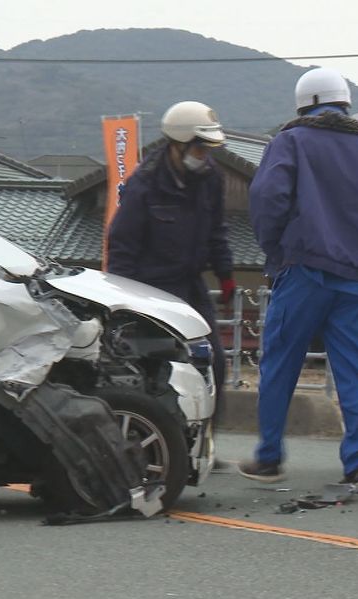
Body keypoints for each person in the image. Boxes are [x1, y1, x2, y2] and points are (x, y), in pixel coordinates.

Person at [239, 68, 358, 492]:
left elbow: (267, 198)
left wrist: (277, 252)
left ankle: (270, 457)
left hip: (303, 271)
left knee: (280, 364)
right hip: (355, 280)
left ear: (304, 103)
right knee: (356, 374)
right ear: (345, 103)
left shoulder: (289, 142)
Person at [106, 101, 235, 397]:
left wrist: (225, 273)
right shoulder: (145, 184)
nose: (204, 157)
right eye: (199, 150)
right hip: (151, 289)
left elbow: (217, 229)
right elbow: (122, 246)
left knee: (213, 362)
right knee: (159, 368)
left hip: (191, 285)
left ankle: (207, 436)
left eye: (207, 151)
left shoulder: (210, 178)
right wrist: (120, 302)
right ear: (178, 145)